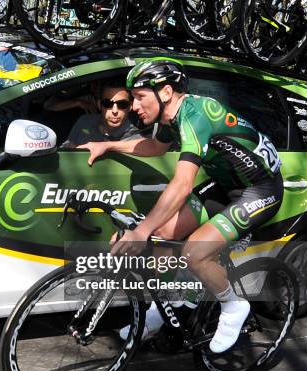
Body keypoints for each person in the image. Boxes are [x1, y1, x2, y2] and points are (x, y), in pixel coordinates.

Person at [78, 59, 284, 353]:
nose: (134, 107)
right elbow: (154, 147)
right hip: (226, 186)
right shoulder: (169, 117)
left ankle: (232, 304)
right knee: (162, 235)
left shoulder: (195, 115)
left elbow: (183, 183)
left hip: (260, 190)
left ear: (164, 92)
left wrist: (140, 231)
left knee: (194, 252)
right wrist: (107, 145)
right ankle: (161, 310)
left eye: (138, 97)